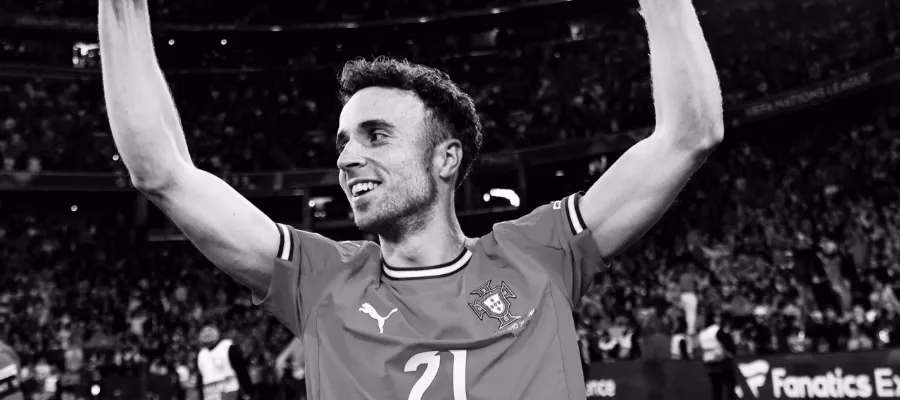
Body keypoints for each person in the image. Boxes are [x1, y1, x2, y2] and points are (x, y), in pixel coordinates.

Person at [97, 0, 723, 397]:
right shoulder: (318, 279)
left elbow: (688, 136)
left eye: (376, 136)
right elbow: (162, 173)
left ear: (446, 159)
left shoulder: (541, 252)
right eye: (343, 141)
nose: (347, 157)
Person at [195, 326, 254, 400]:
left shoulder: (227, 347)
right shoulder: (201, 354)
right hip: (211, 394)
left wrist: (248, 390)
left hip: (229, 391)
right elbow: (200, 378)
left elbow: (241, 370)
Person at [698, 313, 737, 400]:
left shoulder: (702, 333)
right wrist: (732, 351)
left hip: (710, 365)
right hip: (722, 363)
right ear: (714, 319)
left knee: (716, 390)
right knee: (730, 387)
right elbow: (729, 344)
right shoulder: (717, 330)